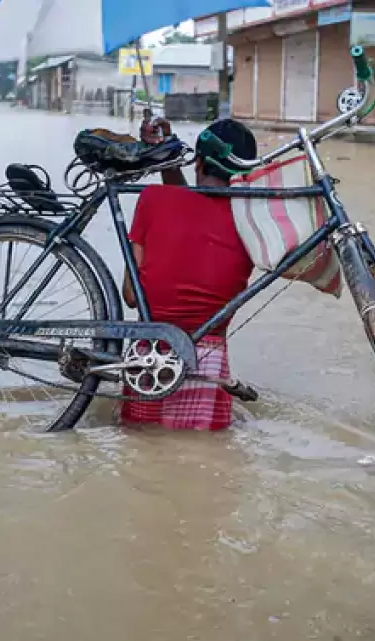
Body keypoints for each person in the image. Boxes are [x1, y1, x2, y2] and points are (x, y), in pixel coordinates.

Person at [119, 118, 257, 431]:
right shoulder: (253, 222)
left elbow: (131, 295)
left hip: (148, 362)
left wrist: (168, 156)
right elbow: (203, 212)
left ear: (199, 163)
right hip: (209, 365)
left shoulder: (152, 199)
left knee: (140, 451)